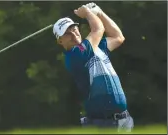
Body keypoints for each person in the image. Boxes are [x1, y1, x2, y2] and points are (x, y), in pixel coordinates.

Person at [53, 3, 134, 132]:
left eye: (74, 29)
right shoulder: (74, 56)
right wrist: (88, 14)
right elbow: (98, 30)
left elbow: (118, 37)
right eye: (67, 34)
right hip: (102, 123)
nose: (73, 35)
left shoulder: (95, 47)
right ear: (60, 41)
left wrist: (100, 13)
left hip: (125, 120)